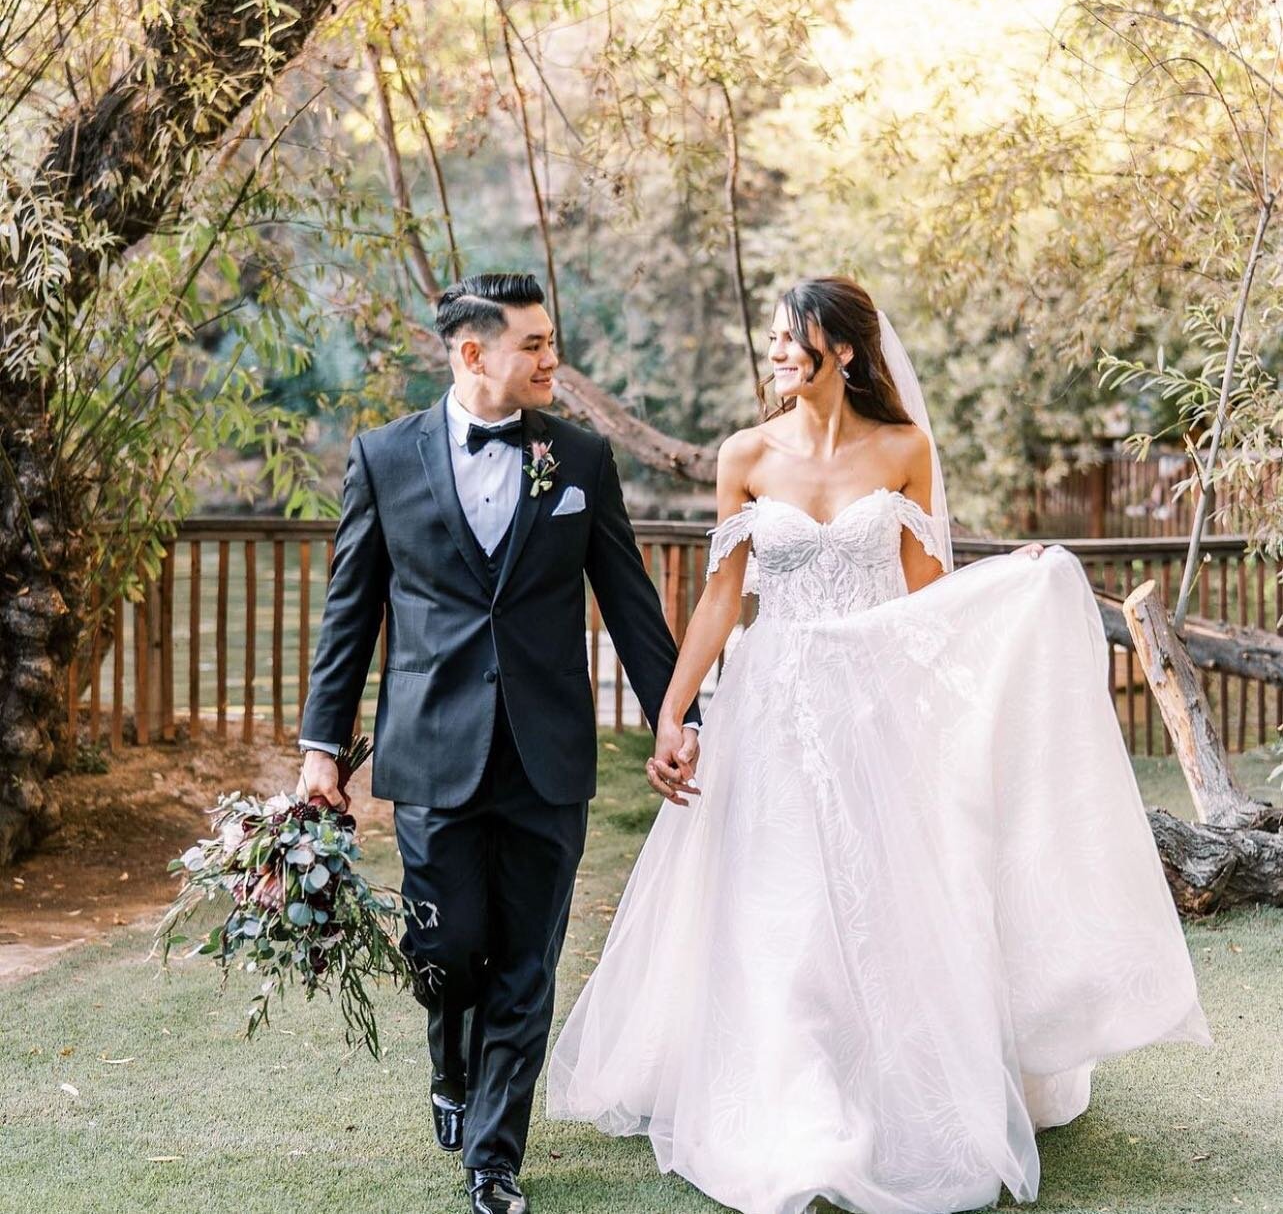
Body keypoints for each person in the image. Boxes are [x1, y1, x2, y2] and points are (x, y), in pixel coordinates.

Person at [546, 276, 1211, 1214]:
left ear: (844, 349)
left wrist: (1008, 583)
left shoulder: (905, 450)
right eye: (772, 339)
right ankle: (796, 1106)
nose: (775, 352)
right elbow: (721, 597)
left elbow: (926, 596)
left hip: (872, 707)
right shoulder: (744, 454)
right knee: (781, 903)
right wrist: (673, 711)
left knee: (880, 893)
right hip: (771, 704)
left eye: (790, 338)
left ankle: (883, 1087)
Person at [296, 272, 700, 1214]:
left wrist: (677, 714)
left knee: (528, 954)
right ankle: (450, 1064)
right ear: (472, 353)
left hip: (547, 752)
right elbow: (349, 612)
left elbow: (631, 604)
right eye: (533, 344)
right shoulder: (384, 457)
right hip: (432, 751)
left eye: (551, 339)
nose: (551, 358)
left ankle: (493, 1154)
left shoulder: (580, 459)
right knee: (450, 948)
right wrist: (324, 746)